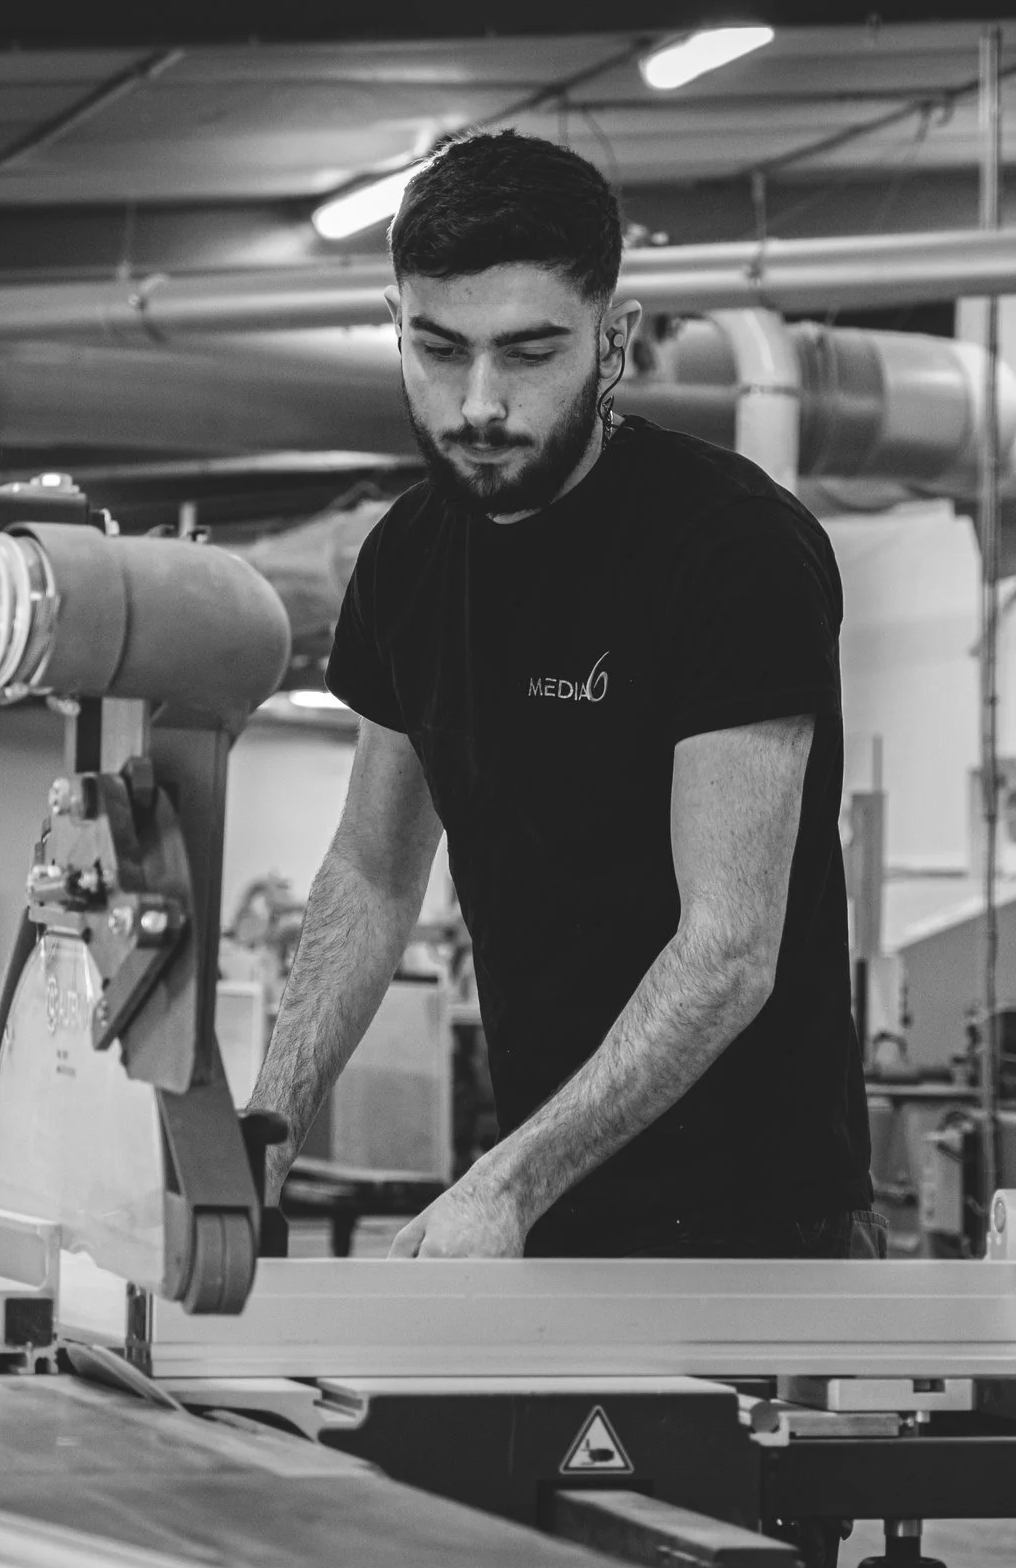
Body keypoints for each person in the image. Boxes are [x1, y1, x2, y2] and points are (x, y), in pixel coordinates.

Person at [246, 130, 877, 1260]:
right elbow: (376, 867)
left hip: (757, 1232)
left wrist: (507, 1180)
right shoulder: (406, 557)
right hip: (552, 1210)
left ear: (614, 340)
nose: (478, 403)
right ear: (396, 327)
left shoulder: (729, 550)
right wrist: (268, 1124)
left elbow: (728, 948)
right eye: (439, 350)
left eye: (528, 353)